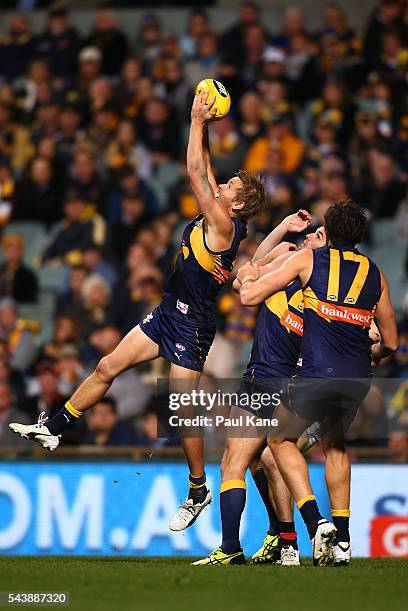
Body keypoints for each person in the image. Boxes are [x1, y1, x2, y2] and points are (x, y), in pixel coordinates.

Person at [9, 91, 266, 533]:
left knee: (180, 409)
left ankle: (198, 488)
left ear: (237, 205)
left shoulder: (224, 225)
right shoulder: (220, 214)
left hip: (193, 325)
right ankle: (56, 426)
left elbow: (193, 171)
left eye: (230, 189)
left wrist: (194, 118)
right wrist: (204, 126)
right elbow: (204, 168)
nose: (222, 186)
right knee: (109, 364)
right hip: (168, 311)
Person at [237, 199, 398, 565]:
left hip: (315, 374)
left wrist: (248, 275)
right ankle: (342, 541)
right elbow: (390, 342)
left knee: (279, 439)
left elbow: (248, 297)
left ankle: (315, 521)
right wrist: (374, 356)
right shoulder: (376, 273)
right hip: (356, 378)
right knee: (335, 446)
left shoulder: (309, 259)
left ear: (330, 229)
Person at [193, 220, 330, 567]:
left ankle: (264, 544)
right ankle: (272, 540)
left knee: (255, 460)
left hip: (284, 384)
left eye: (319, 234)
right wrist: (281, 231)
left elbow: (246, 283)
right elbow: (243, 275)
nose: (309, 235)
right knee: (250, 459)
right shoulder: (293, 267)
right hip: (273, 381)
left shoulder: (312, 283)